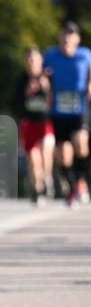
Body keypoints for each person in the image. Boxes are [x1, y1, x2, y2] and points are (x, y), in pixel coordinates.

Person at [43, 21, 91, 206]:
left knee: (80, 142)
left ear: (77, 40)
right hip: (59, 110)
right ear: (60, 38)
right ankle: (71, 186)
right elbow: (43, 74)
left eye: (70, 37)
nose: (66, 41)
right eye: (64, 37)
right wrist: (44, 82)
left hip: (79, 108)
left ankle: (81, 181)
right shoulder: (51, 55)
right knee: (63, 153)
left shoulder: (85, 55)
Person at [16, 47, 54, 204]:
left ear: (40, 60)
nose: (31, 63)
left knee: (45, 151)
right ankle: (37, 189)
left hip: (45, 122)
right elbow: (15, 103)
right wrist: (26, 93)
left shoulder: (48, 76)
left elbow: (55, 102)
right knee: (32, 158)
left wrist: (46, 89)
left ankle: (47, 179)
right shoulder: (22, 79)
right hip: (29, 122)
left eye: (34, 59)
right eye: (29, 59)